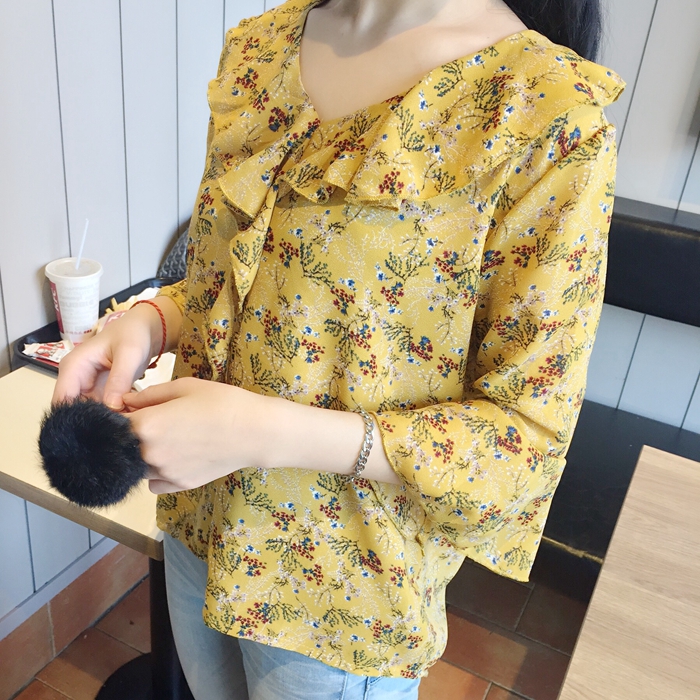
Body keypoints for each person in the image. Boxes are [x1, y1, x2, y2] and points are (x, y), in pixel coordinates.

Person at [53, 0, 624, 697]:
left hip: (343, 589)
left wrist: (260, 432)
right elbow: (250, 281)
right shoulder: (262, 49)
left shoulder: (547, 113)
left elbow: (521, 440)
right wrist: (151, 321)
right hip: (199, 526)